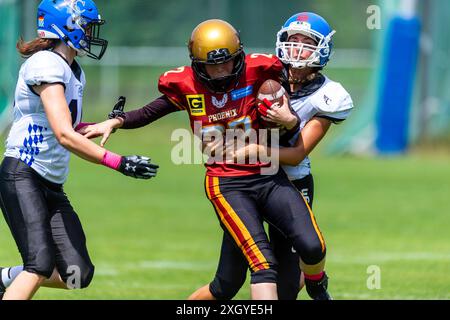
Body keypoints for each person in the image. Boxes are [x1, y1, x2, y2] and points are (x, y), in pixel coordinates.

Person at [81, 18, 330, 300]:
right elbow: (152, 110)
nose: (222, 70)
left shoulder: (259, 72)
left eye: (227, 62)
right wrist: (117, 121)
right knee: (263, 264)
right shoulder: (187, 85)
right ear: (198, 63)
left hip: (269, 176)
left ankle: (318, 286)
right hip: (227, 184)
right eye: (213, 64)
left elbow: (299, 80)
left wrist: (289, 119)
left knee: (311, 246)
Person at [188, 12, 353, 300]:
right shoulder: (258, 74)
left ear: (322, 48)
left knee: (287, 286)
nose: (297, 47)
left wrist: (264, 144)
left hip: (289, 184)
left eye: (306, 41)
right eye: (293, 40)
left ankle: (315, 280)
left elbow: (298, 152)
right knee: (226, 283)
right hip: (245, 184)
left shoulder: (329, 95)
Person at [0, 0, 158, 300]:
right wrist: (119, 162)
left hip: (50, 183)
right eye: (86, 26)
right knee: (39, 265)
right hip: (24, 174)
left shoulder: (73, 70)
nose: (90, 32)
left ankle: (4, 279)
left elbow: (66, 124)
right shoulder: (45, 63)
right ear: (68, 25)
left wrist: (100, 124)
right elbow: (63, 134)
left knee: (77, 274)